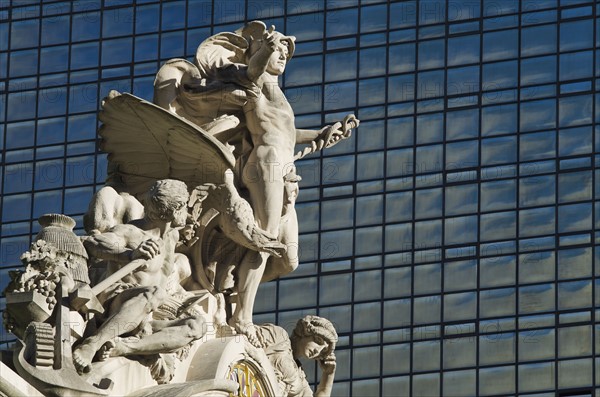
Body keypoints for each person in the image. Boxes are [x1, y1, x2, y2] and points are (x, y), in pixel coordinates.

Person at [225, 22, 357, 344]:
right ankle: (243, 316)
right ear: (259, 52)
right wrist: (266, 47)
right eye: (279, 51)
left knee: (288, 259)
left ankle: (235, 286)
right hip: (266, 161)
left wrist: (323, 133)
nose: (283, 56)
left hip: (284, 166)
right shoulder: (251, 80)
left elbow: (286, 132)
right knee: (267, 239)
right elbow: (253, 72)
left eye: (286, 53)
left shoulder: (278, 94)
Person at [73, 179, 206, 375]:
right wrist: (128, 254)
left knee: (197, 325)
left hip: (145, 319)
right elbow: (94, 243)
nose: (186, 213)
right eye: (184, 207)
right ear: (173, 211)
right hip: (115, 305)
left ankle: (125, 347)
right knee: (155, 294)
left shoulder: (171, 237)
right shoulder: (131, 232)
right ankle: (93, 343)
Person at [256, 315, 338, 397]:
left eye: (323, 350)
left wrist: (328, 374)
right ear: (306, 331)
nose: (318, 350)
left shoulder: (300, 378)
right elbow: (246, 336)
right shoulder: (278, 336)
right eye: (319, 341)